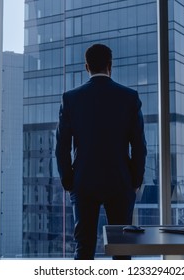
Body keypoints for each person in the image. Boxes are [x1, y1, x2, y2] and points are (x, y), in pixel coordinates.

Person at [55, 43, 147, 260]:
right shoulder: (129, 97)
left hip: (84, 181)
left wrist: (69, 181)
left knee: (84, 248)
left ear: (87, 67)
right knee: (121, 250)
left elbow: (61, 146)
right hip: (120, 181)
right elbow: (140, 145)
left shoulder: (71, 99)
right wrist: (135, 180)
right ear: (110, 66)